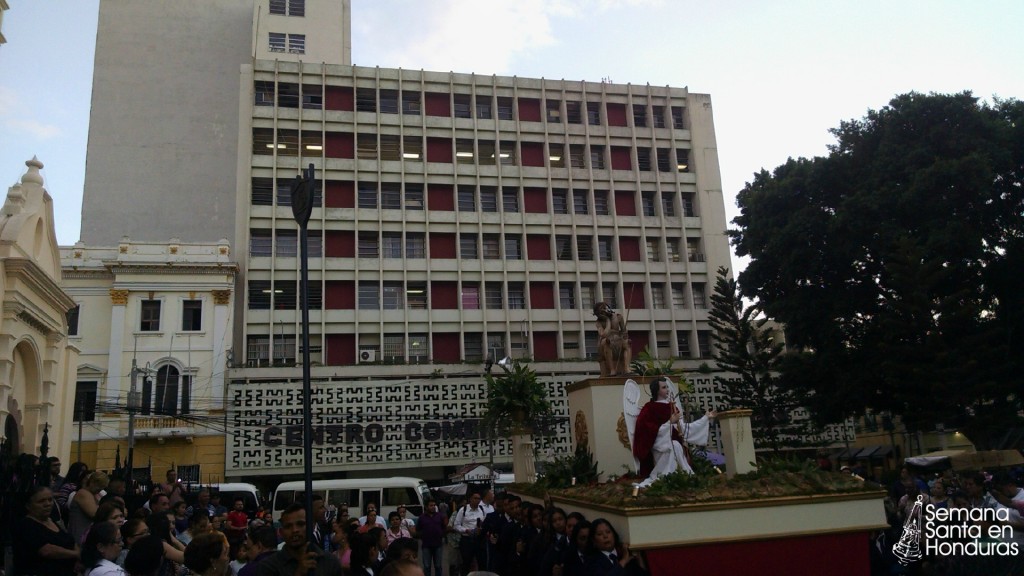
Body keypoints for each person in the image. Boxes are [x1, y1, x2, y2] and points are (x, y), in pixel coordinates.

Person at [631, 377, 715, 486]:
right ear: (657, 390)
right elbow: (646, 430)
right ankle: (668, 476)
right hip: (660, 447)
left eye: (667, 387)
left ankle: (682, 476)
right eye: (664, 387)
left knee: (675, 445)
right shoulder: (649, 408)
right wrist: (669, 423)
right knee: (674, 445)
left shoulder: (672, 407)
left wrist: (705, 418)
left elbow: (683, 429)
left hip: (673, 445)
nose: (667, 390)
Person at [256, 502, 342, 576]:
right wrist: (299, 573)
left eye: (300, 524)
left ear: (311, 527)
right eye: (288, 526)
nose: (294, 530)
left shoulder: (330, 562)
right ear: (281, 532)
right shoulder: (268, 567)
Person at [12, 485, 80, 576]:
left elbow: (69, 540)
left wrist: (78, 556)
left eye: (50, 500)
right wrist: (76, 554)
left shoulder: (52, 521)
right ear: (28, 506)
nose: (47, 504)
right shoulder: (26, 525)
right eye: (41, 501)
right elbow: (47, 550)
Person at [582, 518, 647, 576]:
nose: (605, 536)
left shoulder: (624, 553)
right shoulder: (591, 561)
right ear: (593, 540)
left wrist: (638, 555)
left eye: (608, 532)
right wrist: (623, 561)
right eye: (600, 534)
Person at [451, 492, 486, 575]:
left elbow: (485, 523)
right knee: (466, 563)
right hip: (467, 540)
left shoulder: (482, 509)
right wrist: (466, 530)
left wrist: (481, 527)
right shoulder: (463, 510)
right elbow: (456, 525)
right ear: (470, 499)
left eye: (479, 499)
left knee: (482, 563)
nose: (477, 500)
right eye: (475, 498)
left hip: (479, 540)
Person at [70, 470, 110, 543]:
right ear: (92, 482)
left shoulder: (93, 494)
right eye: (99, 487)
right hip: (80, 534)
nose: (99, 490)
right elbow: (96, 514)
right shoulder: (83, 493)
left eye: (102, 488)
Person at [594, 301, 631, 376]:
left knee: (627, 343)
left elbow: (624, 331)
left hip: (618, 339)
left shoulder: (618, 317)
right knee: (606, 342)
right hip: (607, 339)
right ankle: (612, 370)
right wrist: (607, 320)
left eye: (604, 308)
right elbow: (604, 334)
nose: (604, 311)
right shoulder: (599, 322)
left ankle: (627, 368)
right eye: (601, 310)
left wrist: (624, 336)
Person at [416, 498, 445, 576]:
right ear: (426, 507)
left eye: (434, 505)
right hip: (426, 545)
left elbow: (443, 527)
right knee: (427, 566)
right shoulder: (422, 517)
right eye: (431, 505)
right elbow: (418, 530)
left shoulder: (439, 516)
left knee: (438, 566)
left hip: (438, 545)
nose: (433, 507)